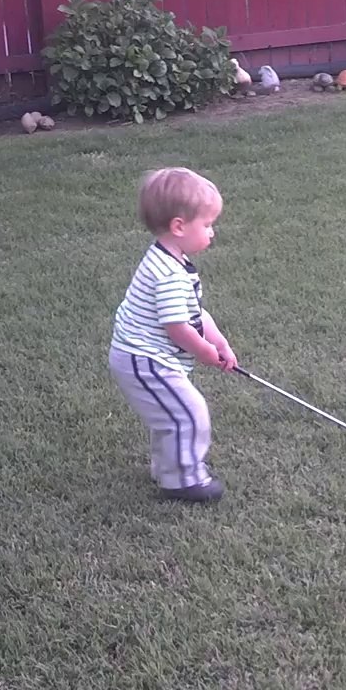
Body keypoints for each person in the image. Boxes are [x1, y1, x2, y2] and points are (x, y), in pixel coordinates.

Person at [107, 167, 238, 503]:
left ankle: (168, 468)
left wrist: (218, 341)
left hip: (143, 357)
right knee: (187, 412)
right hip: (144, 360)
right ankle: (182, 480)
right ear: (179, 226)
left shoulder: (171, 260)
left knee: (172, 413)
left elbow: (194, 313)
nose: (212, 233)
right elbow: (177, 327)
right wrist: (204, 352)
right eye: (207, 225)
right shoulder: (168, 274)